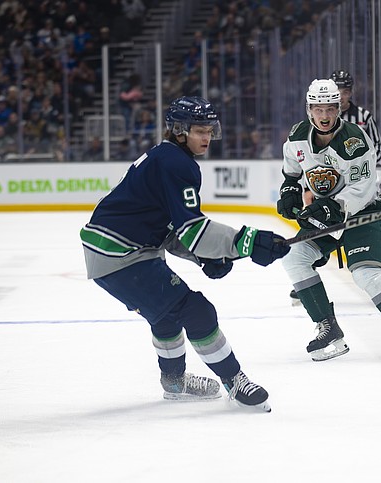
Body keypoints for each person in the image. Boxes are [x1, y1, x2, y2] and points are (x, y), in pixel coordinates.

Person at [80, 96, 290, 411]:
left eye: (210, 130)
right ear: (180, 130)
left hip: (119, 250)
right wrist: (249, 241)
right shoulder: (178, 164)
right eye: (199, 131)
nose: (207, 138)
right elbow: (193, 230)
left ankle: (174, 382)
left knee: (166, 317)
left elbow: (169, 229)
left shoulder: (166, 158)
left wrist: (202, 257)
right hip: (121, 256)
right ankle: (234, 380)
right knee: (197, 310)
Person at [277, 79, 381, 363]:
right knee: (293, 256)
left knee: (366, 275)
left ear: (338, 108)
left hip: (362, 213)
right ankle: (329, 328)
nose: (324, 116)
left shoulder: (354, 140)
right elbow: (291, 173)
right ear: (309, 109)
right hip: (327, 212)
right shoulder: (297, 136)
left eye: (330, 108)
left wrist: (331, 207)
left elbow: (362, 190)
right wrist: (289, 192)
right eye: (317, 109)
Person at [288, 70, 381, 305]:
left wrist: (359, 172)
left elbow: (374, 150)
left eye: (345, 91)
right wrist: (305, 186)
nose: (343, 95)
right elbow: (308, 160)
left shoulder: (362, 118)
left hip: (359, 184)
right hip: (326, 186)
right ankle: (308, 274)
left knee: (365, 232)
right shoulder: (306, 130)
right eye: (319, 108)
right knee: (316, 226)